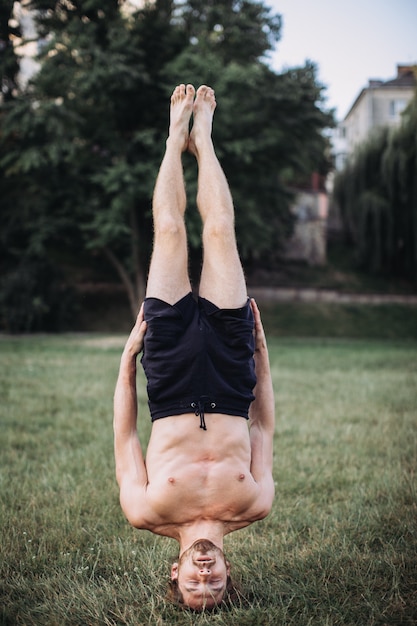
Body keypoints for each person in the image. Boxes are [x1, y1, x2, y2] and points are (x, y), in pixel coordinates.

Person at [113, 84, 275, 611]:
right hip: (231, 378)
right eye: (216, 584)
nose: (205, 576)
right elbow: (263, 427)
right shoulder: (254, 504)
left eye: (193, 584)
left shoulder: (147, 512)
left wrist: (125, 364)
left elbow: (125, 438)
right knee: (223, 232)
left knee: (169, 231)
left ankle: (172, 140)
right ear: (230, 572)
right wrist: (260, 357)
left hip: (170, 380)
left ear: (174, 570)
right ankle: (203, 140)